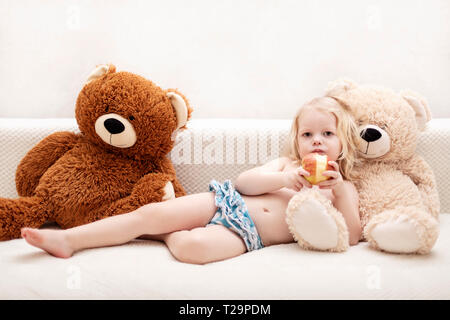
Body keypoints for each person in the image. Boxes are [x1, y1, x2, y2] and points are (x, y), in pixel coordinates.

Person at [21, 96, 362, 264]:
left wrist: (339, 193)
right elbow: (245, 183)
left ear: (343, 142)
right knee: (148, 213)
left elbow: (351, 235)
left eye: (327, 133)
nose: (316, 141)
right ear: (297, 140)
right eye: (307, 134)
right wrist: (284, 178)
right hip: (227, 201)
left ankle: (166, 233)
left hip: (247, 234)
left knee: (191, 249)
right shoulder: (287, 165)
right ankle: (70, 240)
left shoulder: (342, 188)